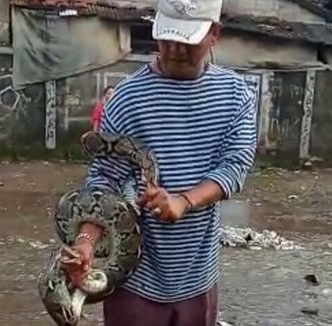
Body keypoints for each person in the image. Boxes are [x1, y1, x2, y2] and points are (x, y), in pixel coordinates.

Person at [62, 0, 257, 325]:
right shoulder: (128, 99)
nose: (175, 50)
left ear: (215, 34)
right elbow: (105, 180)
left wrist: (183, 201)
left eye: (187, 40)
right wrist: (85, 243)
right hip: (135, 282)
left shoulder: (235, 96)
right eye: (167, 38)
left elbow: (234, 166)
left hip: (198, 276)